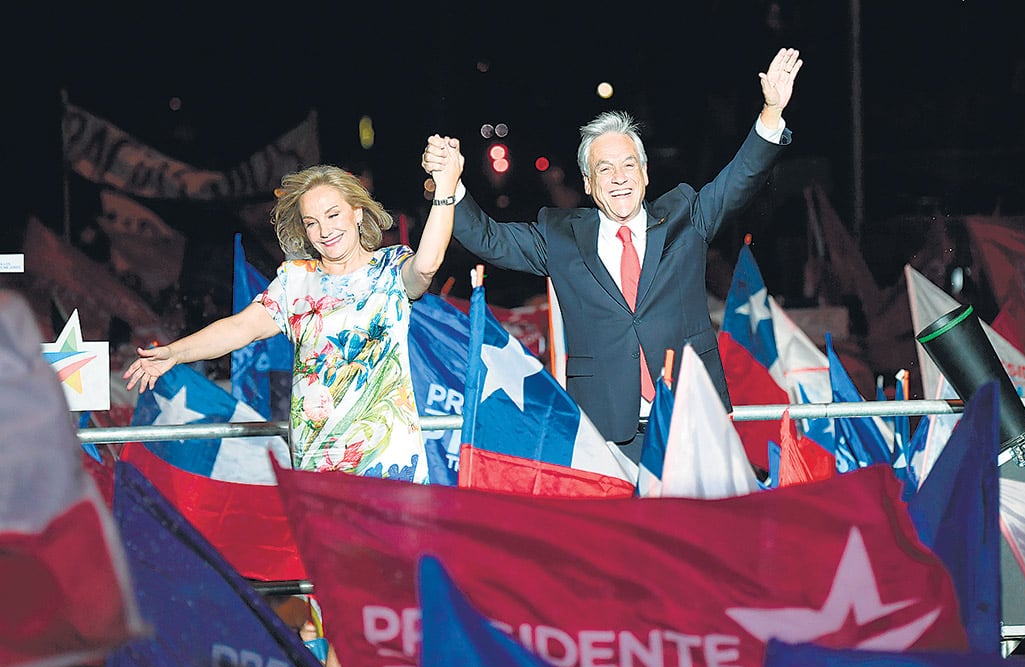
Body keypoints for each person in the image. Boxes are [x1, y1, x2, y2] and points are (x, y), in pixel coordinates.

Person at [422, 47, 802, 460]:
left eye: (628, 165)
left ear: (645, 173)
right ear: (588, 183)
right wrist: (450, 186)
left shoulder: (685, 216)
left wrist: (770, 113)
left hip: (691, 419)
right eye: (604, 168)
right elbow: (488, 239)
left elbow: (739, 179)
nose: (618, 178)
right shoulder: (561, 237)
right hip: (607, 434)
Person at [123, 149, 464, 481]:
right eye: (312, 222)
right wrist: (174, 352)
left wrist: (445, 188)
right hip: (317, 463)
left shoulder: (390, 269)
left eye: (333, 215)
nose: (324, 230)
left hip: (387, 462)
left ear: (358, 212)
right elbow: (242, 327)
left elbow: (428, 263)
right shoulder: (295, 280)